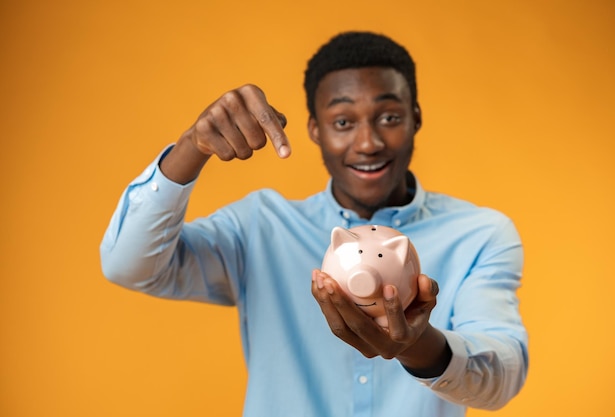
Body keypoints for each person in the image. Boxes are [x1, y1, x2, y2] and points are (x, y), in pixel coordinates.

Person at [100, 31, 528, 417]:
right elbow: (130, 265)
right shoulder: (260, 228)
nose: (367, 143)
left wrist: (418, 347)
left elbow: (502, 376)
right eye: (343, 122)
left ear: (416, 117)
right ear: (315, 129)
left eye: (390, 117)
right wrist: (191, 147)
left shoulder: (480, 234)